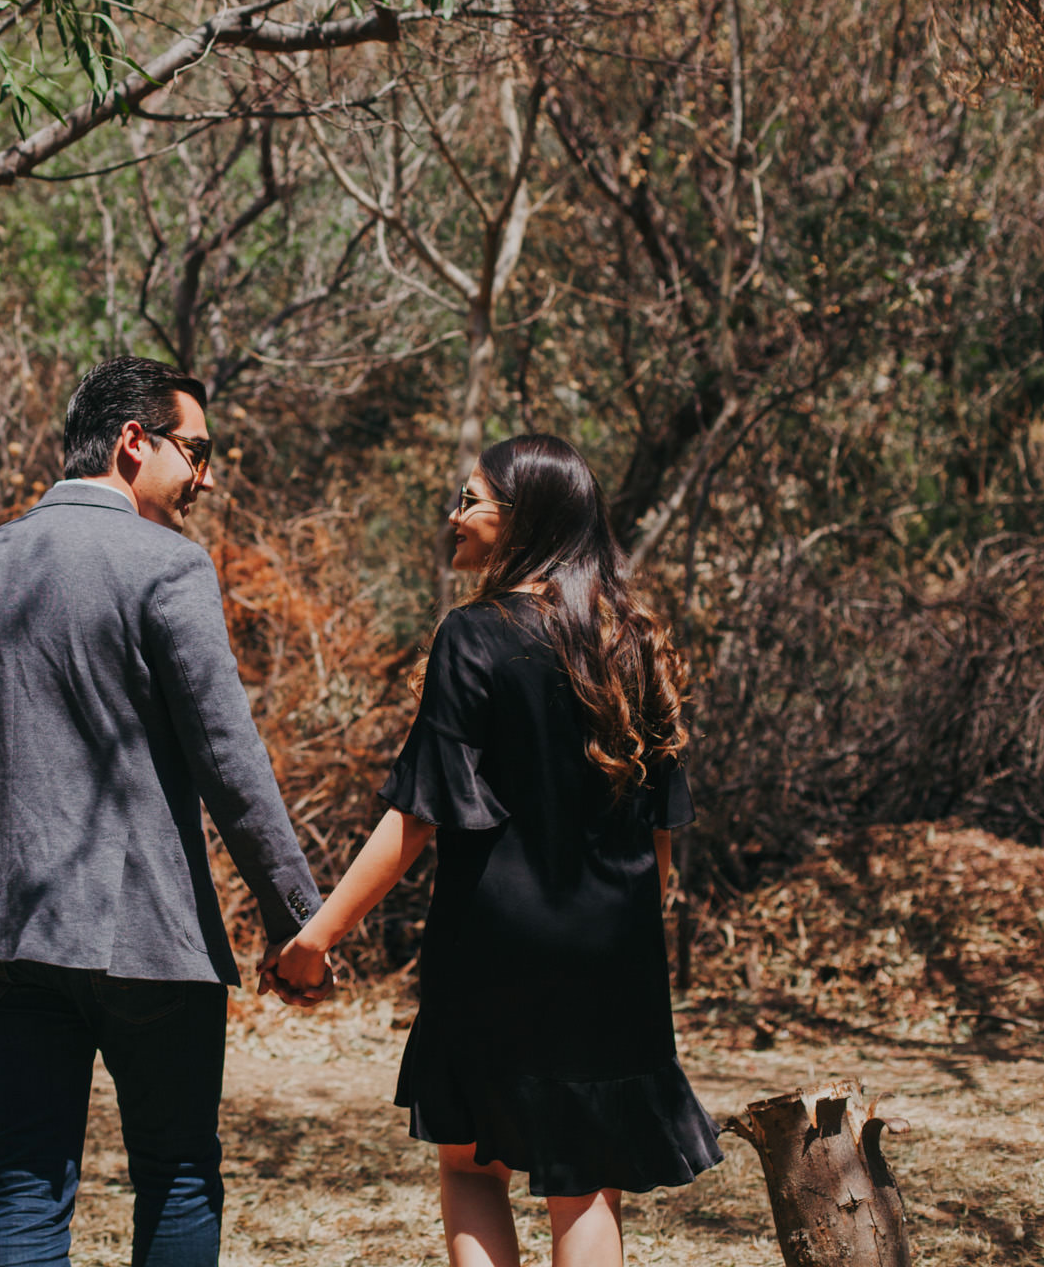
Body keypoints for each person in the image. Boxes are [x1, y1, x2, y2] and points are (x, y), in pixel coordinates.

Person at [265, 434, 720, 1267]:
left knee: (475, 1166)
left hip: (494, 945)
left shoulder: (474, 635)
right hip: (614, 953)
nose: (455, 516)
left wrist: (316, 938)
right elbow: (660, 845)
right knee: (585, 1182)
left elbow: (415, 818)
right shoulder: (636, 643)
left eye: (470, 500)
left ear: (525, 517)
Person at [0, 354, 327, 1267]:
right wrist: (302, 919)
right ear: (135, 442)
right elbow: (231, 762)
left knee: (24, 1178)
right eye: (198, 451)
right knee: (177, 1170)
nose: (206, 478)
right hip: (148, 937)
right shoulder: (167, 565)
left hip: (4, 934)